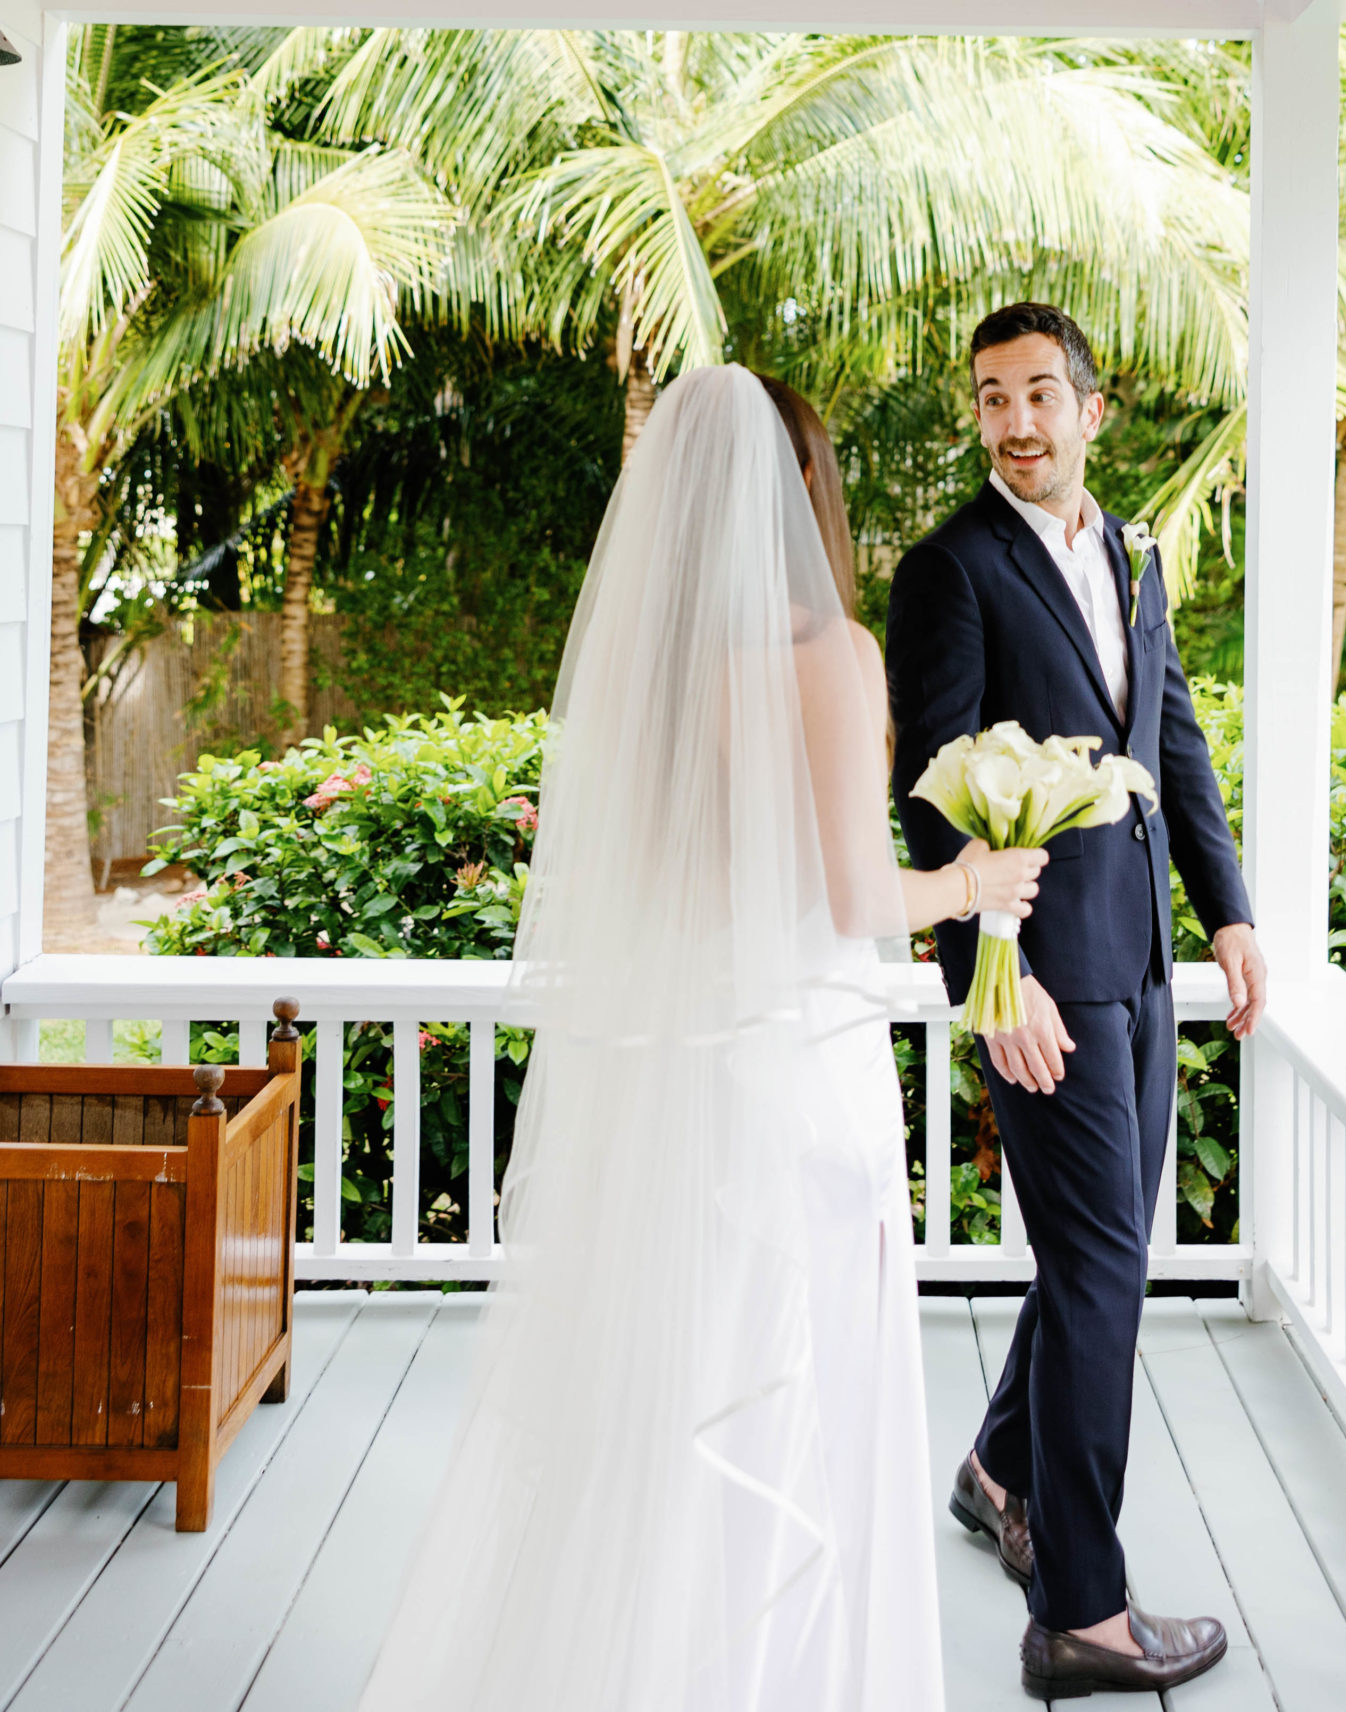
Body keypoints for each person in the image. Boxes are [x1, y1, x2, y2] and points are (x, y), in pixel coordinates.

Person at [360, 366, 1034, 1712]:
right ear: (803, 495)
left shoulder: (650, 680)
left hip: (679, 1091)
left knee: (674, 1416)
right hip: (798, 1090)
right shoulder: (828, 657)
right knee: (809, 1411)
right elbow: (854, 898)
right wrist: (974, 886)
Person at [887, 304, 1268, 1701]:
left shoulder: (1135, 552)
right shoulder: (949, 571)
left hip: (1147, 967)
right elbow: (934, 795)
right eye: (991, 400)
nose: (1017, 424)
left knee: (1093, 1255)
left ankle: (998, 1465)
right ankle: (1082, 1613)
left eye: (1039, 394)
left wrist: (1226, 908)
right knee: (1109, 1268)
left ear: (1093, 409)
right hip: (1038, 983)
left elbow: (1171, 737)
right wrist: (994, 982)